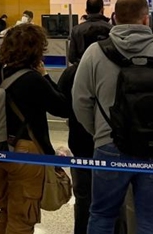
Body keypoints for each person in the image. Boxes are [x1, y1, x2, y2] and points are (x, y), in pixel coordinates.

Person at [73, 0, 153, 234]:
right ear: (147, 20)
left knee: (102, 215)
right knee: (151, 220)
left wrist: (100, 132)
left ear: (115, 18)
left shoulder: (95, 53)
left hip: (109, 145)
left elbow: (80, 100)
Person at [0, 23, 70, 234]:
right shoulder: (32, 79)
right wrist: (45, 76)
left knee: (5, 210)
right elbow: (62, 108)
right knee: (23, 217)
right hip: (25, 152)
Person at [58, 15, 113, 234]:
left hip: (81, 141)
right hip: (111, 141)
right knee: (111, 198)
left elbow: (61, 105)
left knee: (83, 196)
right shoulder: (115, 67)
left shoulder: (72, 71)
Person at [69, 0, 113, 64]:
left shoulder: (76, 30)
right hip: (105, 70)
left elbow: (72, 57)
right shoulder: (111, 29)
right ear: (102, 10)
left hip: (82, 69)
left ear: (86, 11)